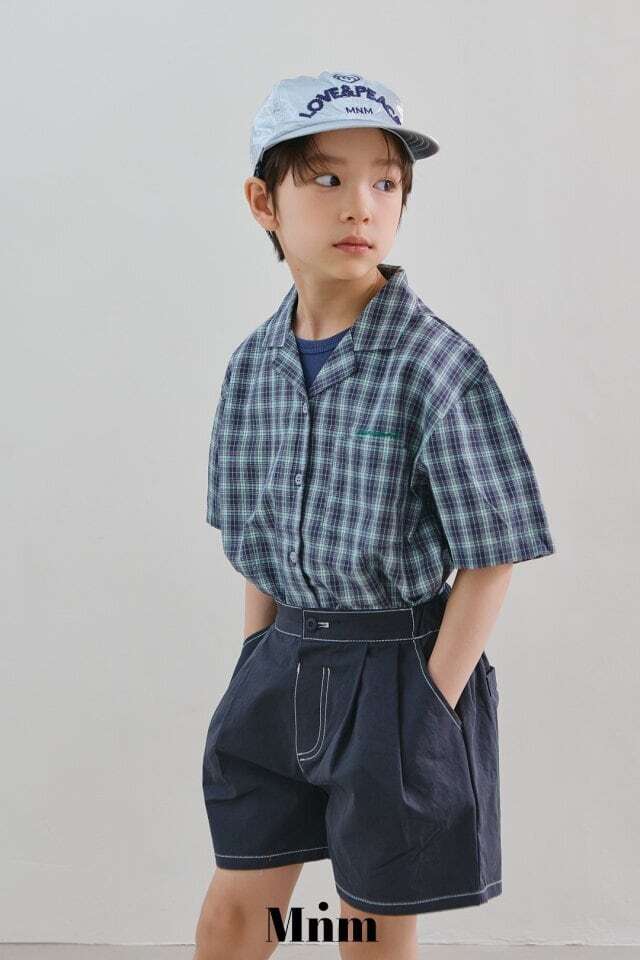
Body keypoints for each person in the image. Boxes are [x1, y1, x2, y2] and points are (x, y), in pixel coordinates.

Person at [194, 70, 556, 960]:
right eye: (327, 177)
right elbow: (253, 538)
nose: (361, 204)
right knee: (239, 901)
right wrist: (254, 658)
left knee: (371, 911)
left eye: (385, 182)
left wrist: (433, 698)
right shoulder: (252, 367)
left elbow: (493, 550)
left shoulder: (435, 363)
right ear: (264, 202)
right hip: (279, 661)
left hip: (398, 672)